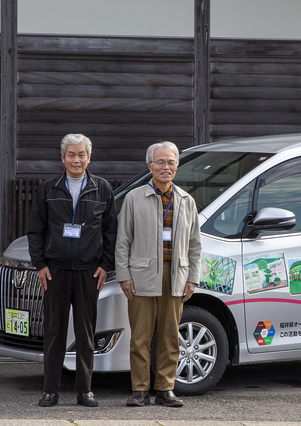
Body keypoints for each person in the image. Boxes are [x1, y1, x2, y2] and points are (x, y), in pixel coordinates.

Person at [27, 133, 117, 408]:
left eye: (81, 155)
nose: (76, 160)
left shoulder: (102, 189)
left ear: (89, 158)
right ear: (62, 158)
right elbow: (35, 230)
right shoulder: (49, 188)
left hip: (89, 271)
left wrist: (105, 265)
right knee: (54, 331)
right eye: (71, 154)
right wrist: (40, 265)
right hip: (55, 271)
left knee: (86, 332)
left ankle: (85, 390)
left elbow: (111, 230)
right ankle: (50, 390)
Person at [115, 141, 203, 408]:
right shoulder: (134, 198)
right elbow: (122, 242)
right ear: (149, 165)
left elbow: (195, 245)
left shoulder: (187, 201)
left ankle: (165, 388)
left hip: (175, 275)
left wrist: (193, 278)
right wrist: (123, 275)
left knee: (169, 335)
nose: (166, 167)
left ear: (177, 166)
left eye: (171, 162)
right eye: (161, 162)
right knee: (140, 336)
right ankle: (139, 390)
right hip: (141, 276)